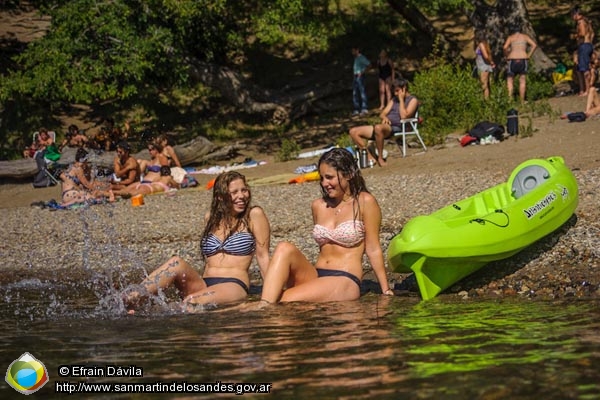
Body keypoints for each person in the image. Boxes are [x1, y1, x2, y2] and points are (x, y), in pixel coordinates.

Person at [259, 148, 393, 304]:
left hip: (345, 278)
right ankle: (264, 304)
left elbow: (373, 248)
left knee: (281, 300)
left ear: (349, 174)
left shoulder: (365, 202)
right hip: (317, 274)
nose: (324, 183)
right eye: (322, 178)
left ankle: (262, 305)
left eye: (329, 177)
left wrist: (385, 289)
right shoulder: (318, 206)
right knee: (284, 247)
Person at [123, 171, 271, 311]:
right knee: (175, 262)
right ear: (220, 196)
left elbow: (263, 256)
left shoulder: (254, 215)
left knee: (191, 302)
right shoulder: (211, 218)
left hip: (233, 285)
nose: (242, 196)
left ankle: (155, 312)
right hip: (204, 283)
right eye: (234, 192)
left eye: (244, 190)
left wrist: (270, 295)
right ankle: (130, 299)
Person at [349, 79, 418, 167]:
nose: (396, 94)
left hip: (399, 126)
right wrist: (385, 117)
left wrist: (401, 100)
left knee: (378, 128)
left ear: (404, 88)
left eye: (398, 91)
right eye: (394, 91)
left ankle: (380, 158)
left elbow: (404, 116)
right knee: (353, 131)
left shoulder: (412, 100)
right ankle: (370, 157)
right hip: (386, 126)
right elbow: (382, 113)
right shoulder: (393, 100)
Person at [503, 26, 537, 102]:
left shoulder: (511, 37)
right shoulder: (525, 37)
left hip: (513, 59)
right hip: (523, 59)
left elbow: (505, 47)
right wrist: (529, 55)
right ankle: (522, 101)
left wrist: (507, 56)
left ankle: (510, 100)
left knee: (510, 80)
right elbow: (534, 45)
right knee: (522, 80)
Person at [571, 6, 595, 96]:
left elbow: (583, 33)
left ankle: (587, 90)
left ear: (577, 14)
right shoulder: (586, 22)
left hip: (584, 46)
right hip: (587, 45)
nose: (572, 17)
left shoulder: (581, 22)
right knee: (579, 68)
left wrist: (575, 36)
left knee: (584, 69)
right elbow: (592, 34)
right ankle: (582, 89)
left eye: (572, 15)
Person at [114, 166, 179, 198]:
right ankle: (112, 193)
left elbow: (152, 182)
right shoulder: (168, 177)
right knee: (130, 194)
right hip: (150, 189)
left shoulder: (158, 177)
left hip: (146, 185)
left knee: (125, 191)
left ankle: (109, 193)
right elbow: (176, 185)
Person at [474, 31, 495, 99]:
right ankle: (487, 100)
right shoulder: (485, 44)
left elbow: (486, 56)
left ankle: (486, 102)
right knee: (486, 84)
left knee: (484, 85)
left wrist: (491, 62)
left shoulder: (481, 45)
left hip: (483, 67)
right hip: (483, 66)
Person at [351, 46, 372, 116]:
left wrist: (362, 72)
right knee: (355, 93)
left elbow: (369, 65)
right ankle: (356, 109)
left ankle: (364, 108)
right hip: (355, 76)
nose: (352, 52)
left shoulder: (361, 58)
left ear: (357, 50)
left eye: (353, 50)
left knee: (362, 92)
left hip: (360, 76)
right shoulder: (356, 58)